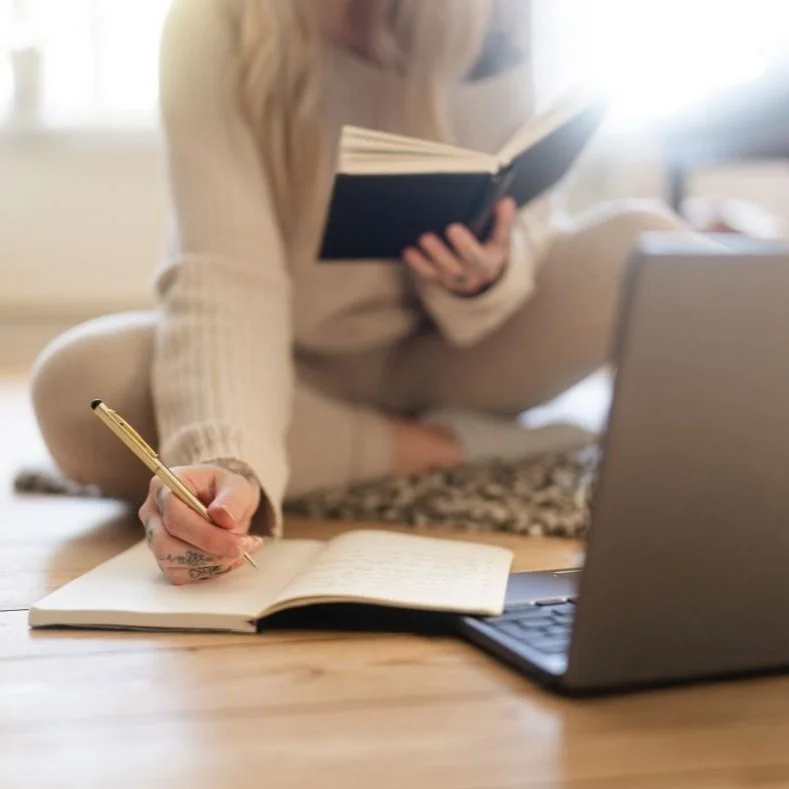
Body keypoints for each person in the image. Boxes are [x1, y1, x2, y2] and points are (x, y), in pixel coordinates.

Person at [31, 0, 686, 585]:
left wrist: (488, 271)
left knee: (651, 245)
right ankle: (441, 447)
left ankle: (379, 443)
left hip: (452, 356)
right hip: (288, 381)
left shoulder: (494, 14)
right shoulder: (214, 22)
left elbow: (532, 210)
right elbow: (225, 274)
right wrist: (226, 459)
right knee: (79, 382)